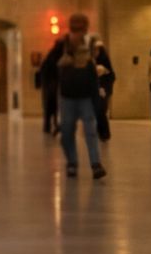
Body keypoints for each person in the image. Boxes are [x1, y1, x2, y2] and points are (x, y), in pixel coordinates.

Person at [40, 15, 105, 179]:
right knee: (67, 133)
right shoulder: (62, 45)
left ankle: (95, 164)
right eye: (75, 28)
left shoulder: (92, 44)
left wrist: (97, 97)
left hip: (86, 96)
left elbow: (97, 67)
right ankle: (72, 162)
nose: (78, 32)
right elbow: (47, 66)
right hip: (67, 97)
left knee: (90, 131)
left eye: (81, 28)